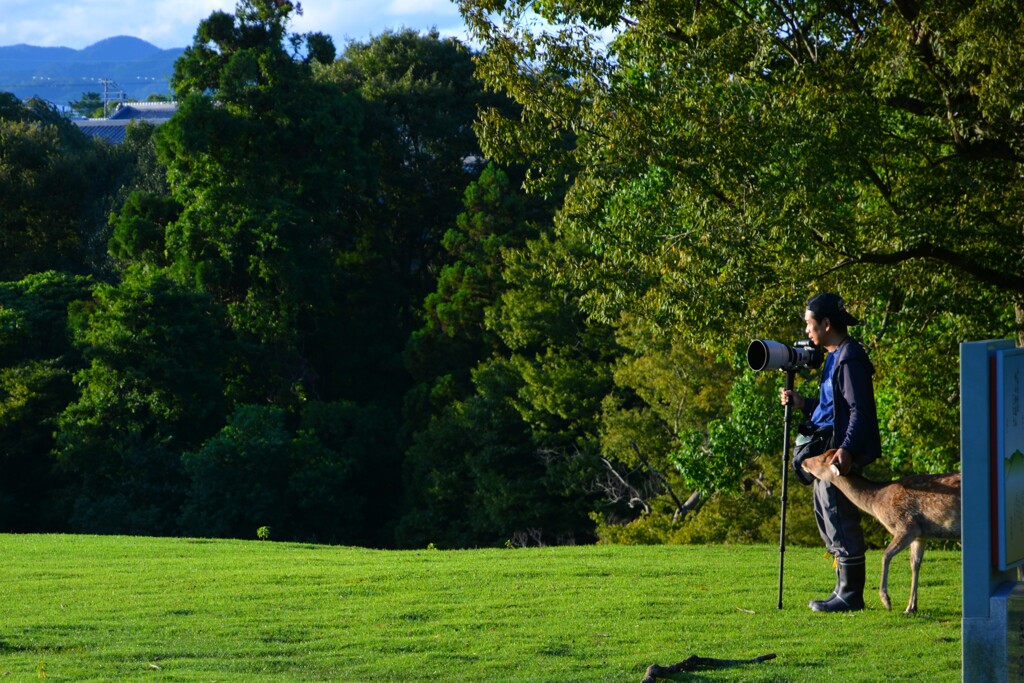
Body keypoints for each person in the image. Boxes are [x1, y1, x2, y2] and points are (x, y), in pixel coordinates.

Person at [780, 292, 881, 612]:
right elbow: (830, 408)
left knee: (838, 514)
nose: (807, 331)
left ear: (826, 324)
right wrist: (803, 404)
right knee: (825, 513)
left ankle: (850, 595)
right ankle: (842, 589)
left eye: (810, 324)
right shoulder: (834, 355)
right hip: (828, 445)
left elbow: (859, 411)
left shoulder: (850, 358)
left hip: (839, 450)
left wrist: (847, 450)